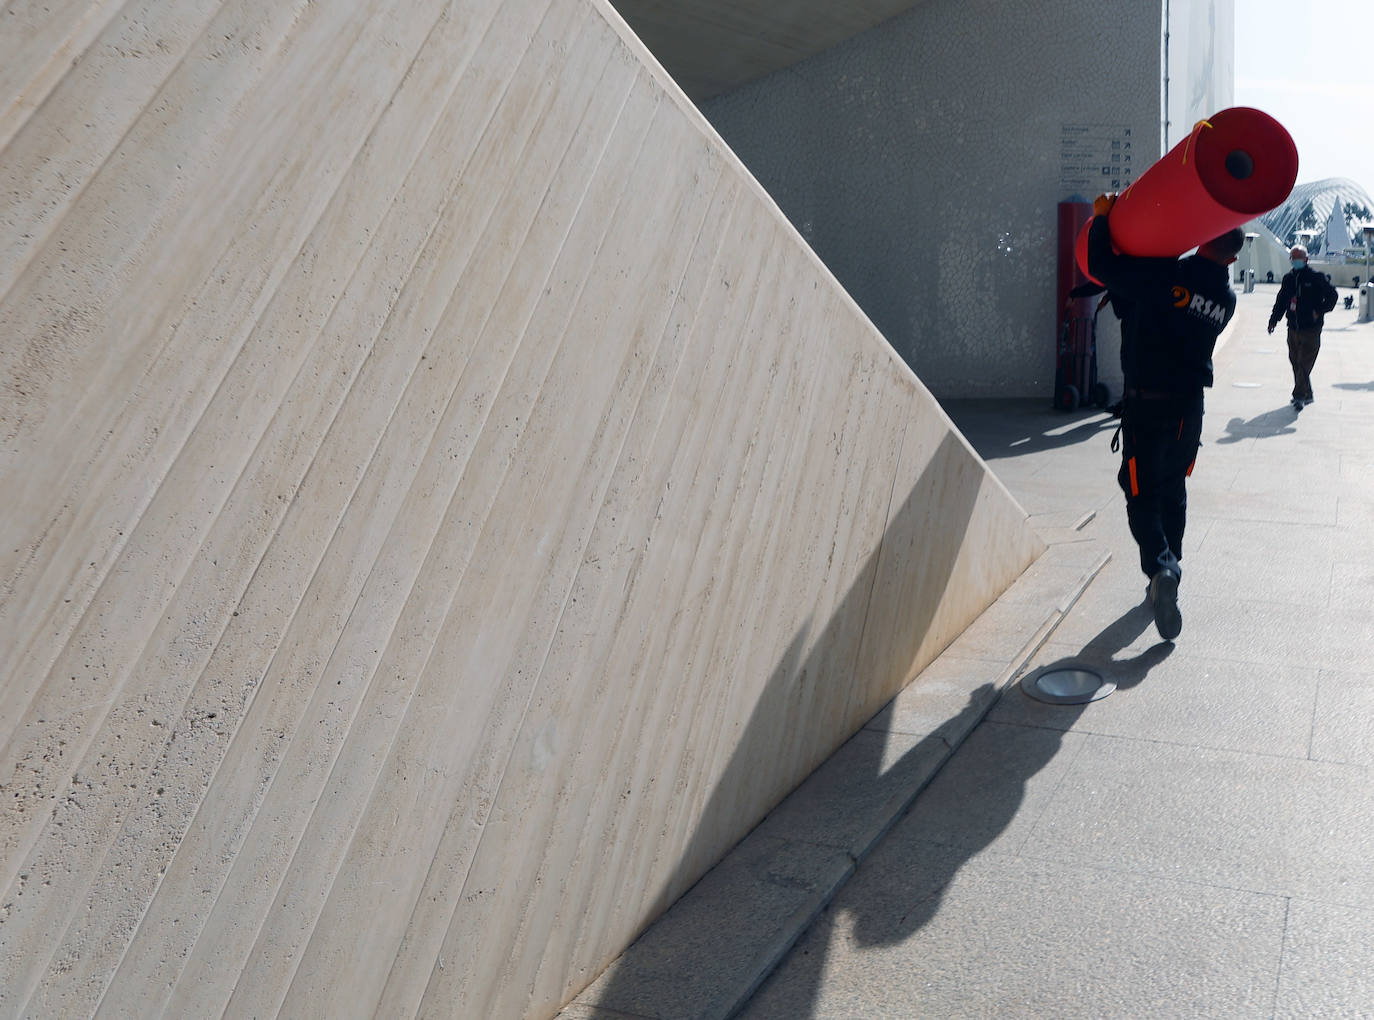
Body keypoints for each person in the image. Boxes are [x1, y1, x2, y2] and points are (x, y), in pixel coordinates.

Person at [1086, 193, 1242, 641]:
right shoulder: (1224, 297)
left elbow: (1105, 267)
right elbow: (1148, 305)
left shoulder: (1166, 275)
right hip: (1187, 411)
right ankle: (1169, 569)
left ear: (1204, 239)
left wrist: (1101, 219)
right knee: (1173, 487)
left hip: (1148, 404)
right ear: (1232, 257)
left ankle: (1161, 567)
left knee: (1139, 490)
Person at [1267, 245, 1338, 410]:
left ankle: (1298, 396)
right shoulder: (1288, 279)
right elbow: (1281, 301)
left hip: (1311, 328)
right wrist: (1273, 321)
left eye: (1299, 258)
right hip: (1293, 327)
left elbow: (1332, 296)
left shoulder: (1316, 278)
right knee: (1295, 362)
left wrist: (1319, 312)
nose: (1295, 261)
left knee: (1305, 363)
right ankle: (1308, 393)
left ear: (1306, 260)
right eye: (1293, 258)